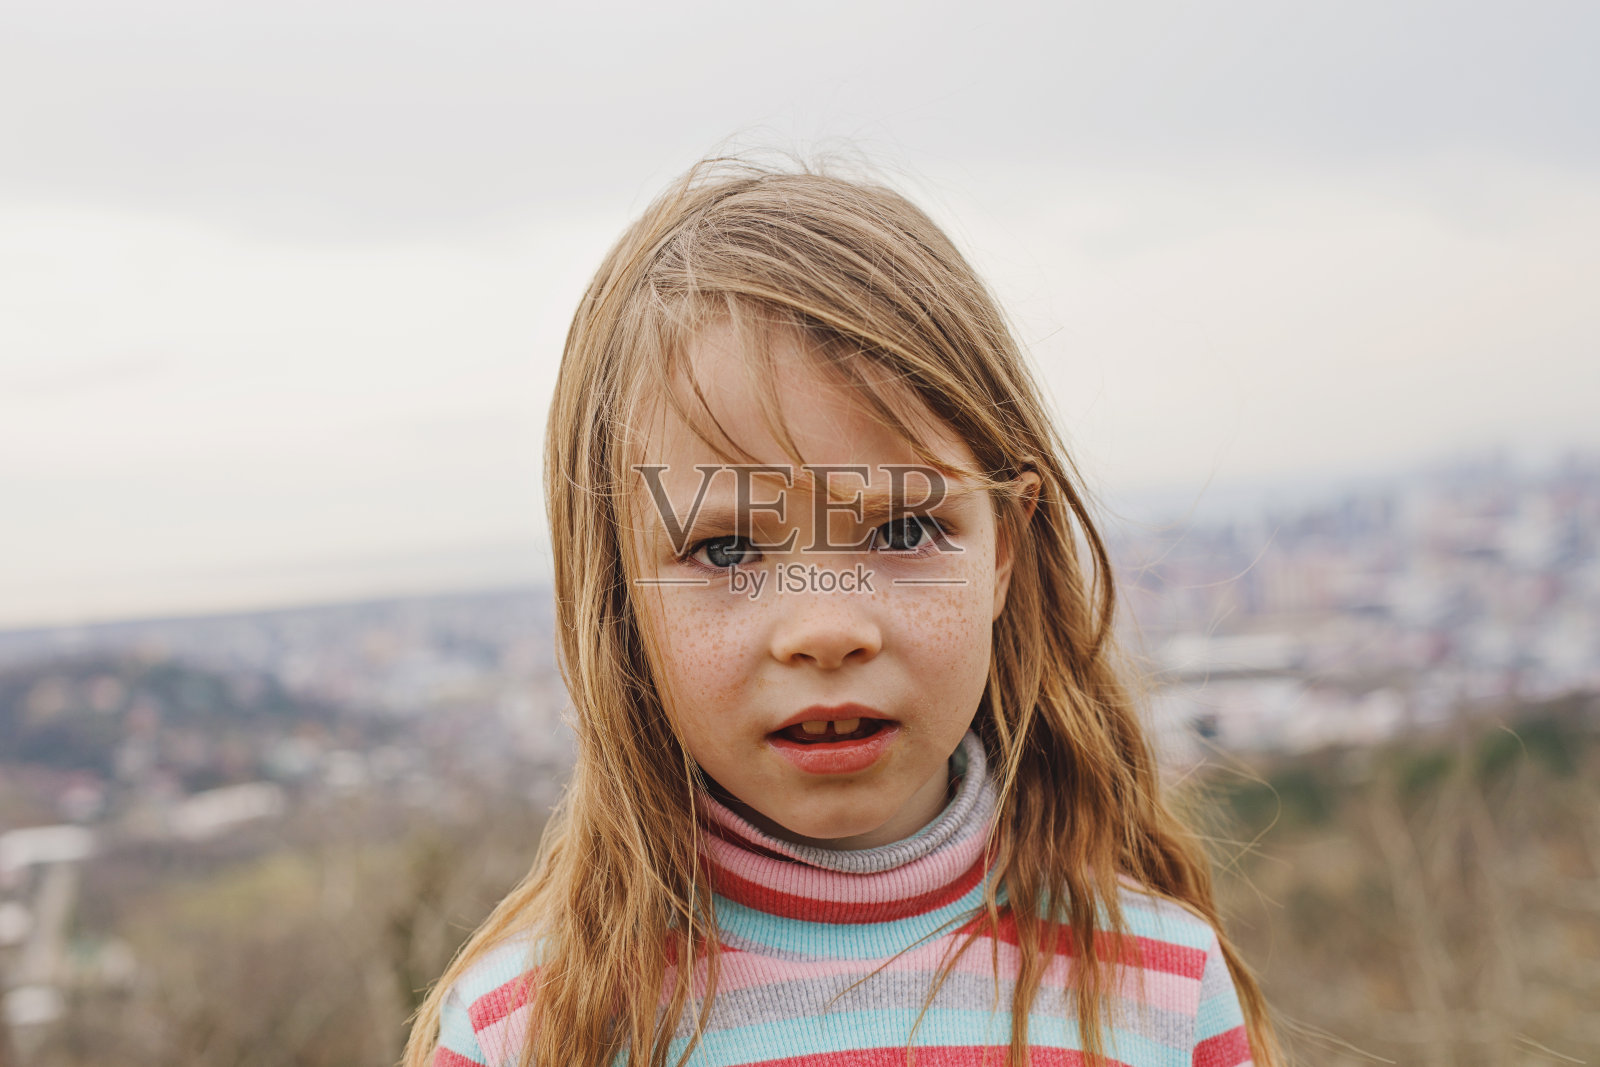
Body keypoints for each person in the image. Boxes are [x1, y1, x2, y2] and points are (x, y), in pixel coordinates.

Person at [402, 156, 1281, 1067]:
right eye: (728, 549)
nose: (825, 628)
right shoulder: (529, 1029)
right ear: (622, 599)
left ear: (1003, 551)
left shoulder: (1163, 989)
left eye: (903, 529)